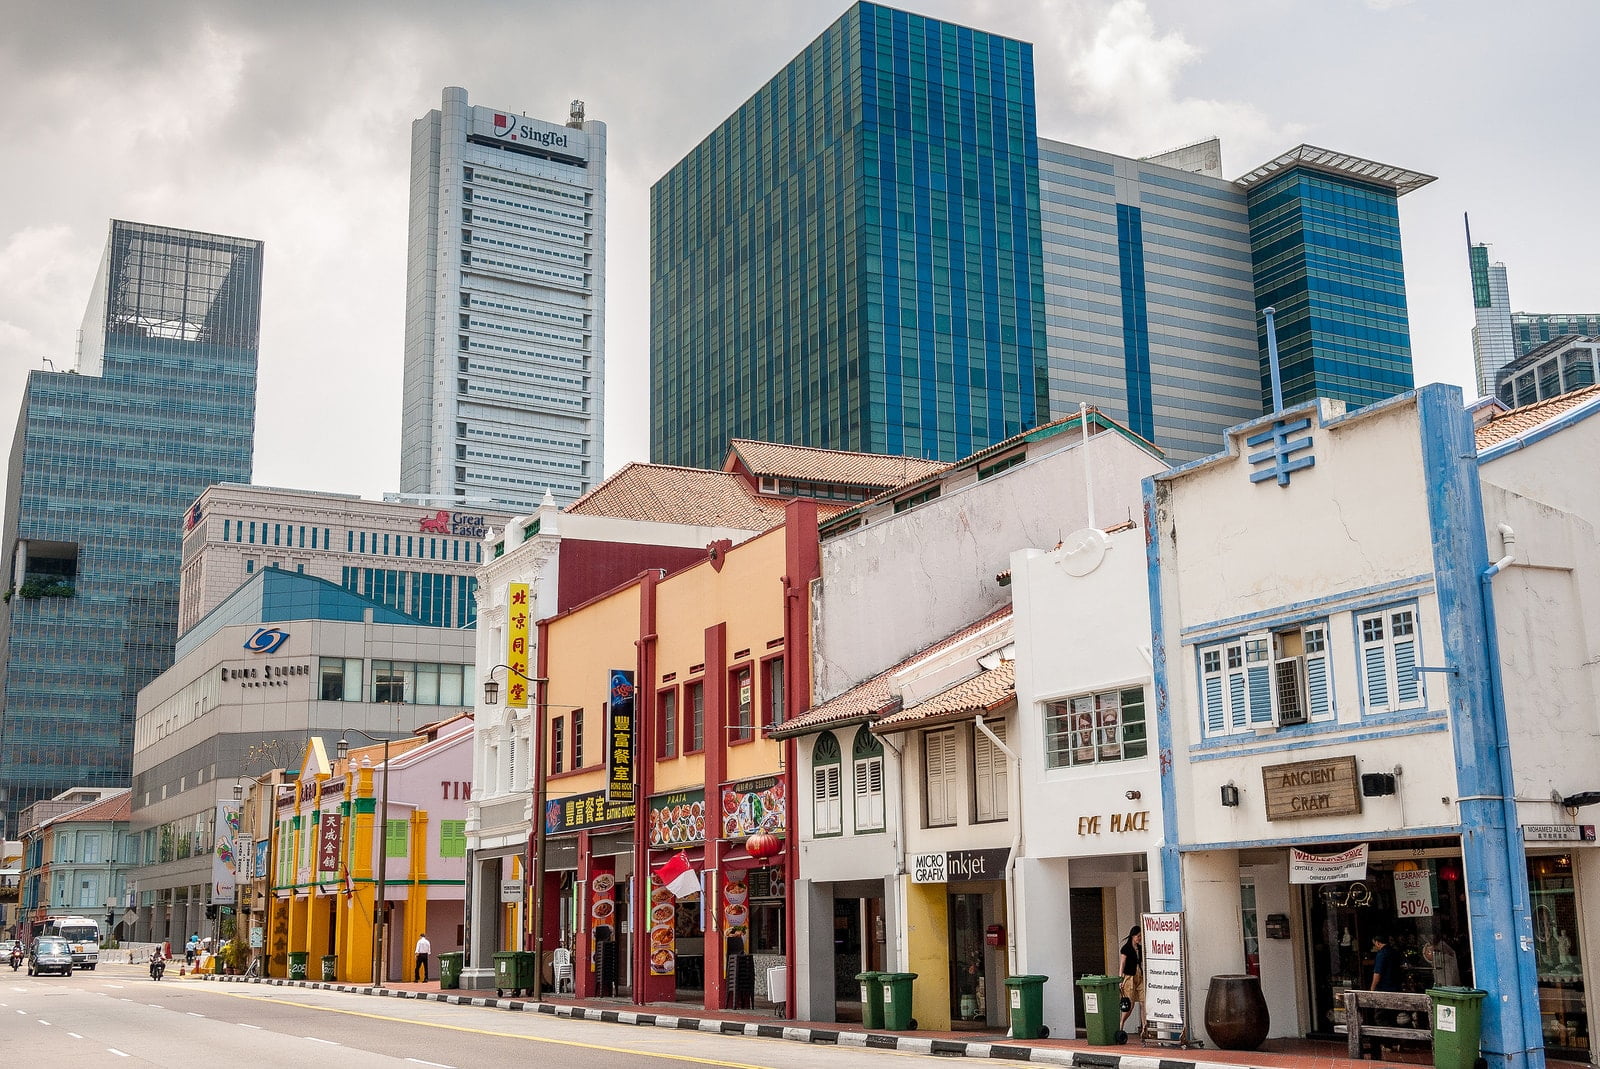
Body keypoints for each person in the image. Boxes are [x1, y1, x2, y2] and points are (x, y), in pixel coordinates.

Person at [1118, 926, 1144, 1037]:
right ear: (1133, 936)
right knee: (1130, 1004)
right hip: (1129, 977)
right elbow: (1122, 964)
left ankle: (1144, 1027)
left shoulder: (1140, 948)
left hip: (1139, 975)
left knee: (1143, 1002)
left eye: (1140, 936)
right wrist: (1120, 978)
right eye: (1138, 936)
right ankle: (1121, 1024)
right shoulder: (1126, 949)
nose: (1139, 938)